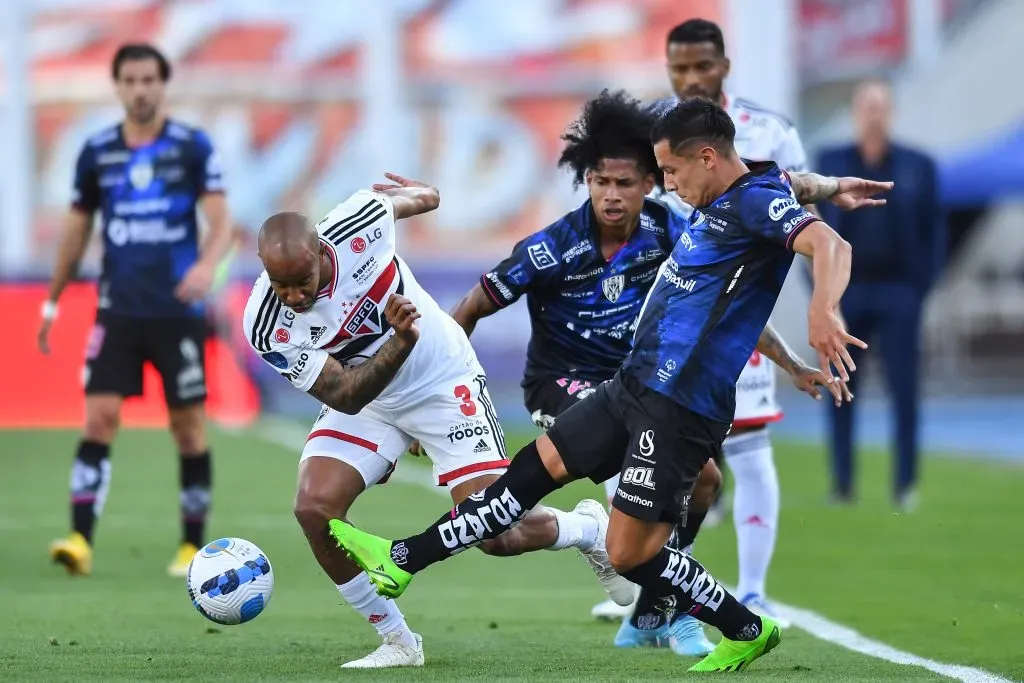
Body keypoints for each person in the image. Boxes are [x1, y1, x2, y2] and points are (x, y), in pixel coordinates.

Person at [329, 97, 889, 673]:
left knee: (629, 554)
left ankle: (745, 627)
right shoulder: (742, 189)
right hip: (631, 384)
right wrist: (835, 183)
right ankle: (401, 560)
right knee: (529, 472)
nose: (665, 185)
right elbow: (798, 184)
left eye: (669, 172)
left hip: (678, 404)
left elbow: (830, 244)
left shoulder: (752, 203)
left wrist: (823, 309)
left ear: (706, 156)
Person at [448, 90, 849, 655]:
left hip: (643, 381)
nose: (614, 195)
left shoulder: (673, 228)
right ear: (585, 181)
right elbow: (466, 312)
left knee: (707, 480)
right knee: (628, 482)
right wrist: (446, 398)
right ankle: (663, 596)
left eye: (632, 182)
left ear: (649, 185)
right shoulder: (551, 247)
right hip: (565, 380)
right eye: (601, 182)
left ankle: (650, 599)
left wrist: (793, 363)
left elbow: (728, 291)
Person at [241, 176, 633, 669]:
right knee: (314, 508)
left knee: (496, 534)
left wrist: (422, 192)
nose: (295, 296)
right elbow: (344, 393)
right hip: (368, 398)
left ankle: (585, 529)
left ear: (322, 250)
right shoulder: (263, 321)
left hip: (442, 381)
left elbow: (423, 200)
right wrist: (397, 343)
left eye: (303, 281)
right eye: (282, 285)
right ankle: (398, 640)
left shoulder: (358, 223)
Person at [613, 17, 817, 629]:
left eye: (703, 66)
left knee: (749, 448)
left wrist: (815, 301)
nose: (692, 79)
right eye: (680, 68)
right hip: (667, 312)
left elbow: (796, 212)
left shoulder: (769, 131)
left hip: (735, 309)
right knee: (640, 446)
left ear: (723, 66)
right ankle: (657, 584)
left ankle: (752, 590)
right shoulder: (655, 132)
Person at [41, 43, 233, 577]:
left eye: (150, 79)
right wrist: (53, 300)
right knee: (98, 418)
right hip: (117, 310)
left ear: (162, 84)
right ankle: (79, 539)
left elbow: (221, 224)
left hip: (177, 314)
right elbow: (76, 230)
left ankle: (192, 546)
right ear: (118, 86)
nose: (141, 89)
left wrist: (205, 269)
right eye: (131, 80)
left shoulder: (191, 147)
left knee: (188, 426)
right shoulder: (97, 151)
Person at [816, 79, 945, 510]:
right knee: (841, 387)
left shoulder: (917, 166)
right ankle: (842, 485)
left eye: (881, 106)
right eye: (867, 106)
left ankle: (905, 485)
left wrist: (920, 287)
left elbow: (934, 232)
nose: (874, 114)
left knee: (904, 389)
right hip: (845, 294)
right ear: (855, 111)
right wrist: (822, 292)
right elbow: (809, 227)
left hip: (899, 292)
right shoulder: (831, 163)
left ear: (891, 112)